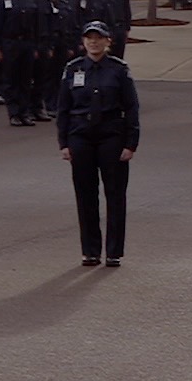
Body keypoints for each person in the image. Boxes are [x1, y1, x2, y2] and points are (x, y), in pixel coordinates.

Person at [52, 22, 138, 267]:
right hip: (81, 136)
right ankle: (90, 251)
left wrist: (131, 143)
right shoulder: (73, 69)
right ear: (83, 42)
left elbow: (131, 108)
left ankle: (113, 252)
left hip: (112, 135)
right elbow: (64, 109)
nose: (94, 42)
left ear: (107, 41)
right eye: (89, 38)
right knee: (85, 195)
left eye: (98, 38)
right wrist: (64, 142)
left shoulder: (119, 70)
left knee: (114, 194)